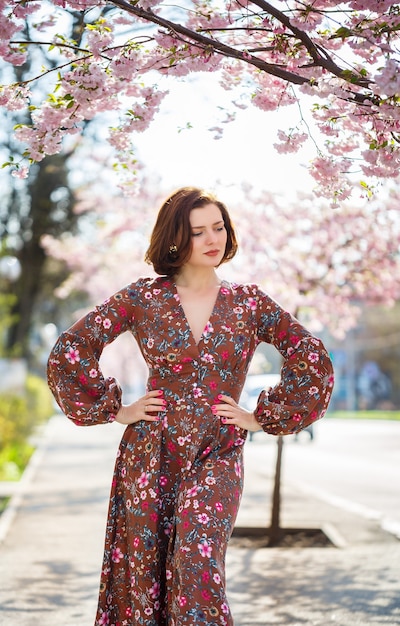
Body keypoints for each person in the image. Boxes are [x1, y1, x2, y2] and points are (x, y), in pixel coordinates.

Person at [47, 186, 334, 626]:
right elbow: (71, 349)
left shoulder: (249, 303)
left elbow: (310, 355)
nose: (212, 238)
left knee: (197, 565)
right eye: (198, 231)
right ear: (176, 239)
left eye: (218, 227)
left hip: (217, 451)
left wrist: (261, 418)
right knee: (145, 578)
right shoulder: (142, 298)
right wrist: (115, 409)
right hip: (150, 453)